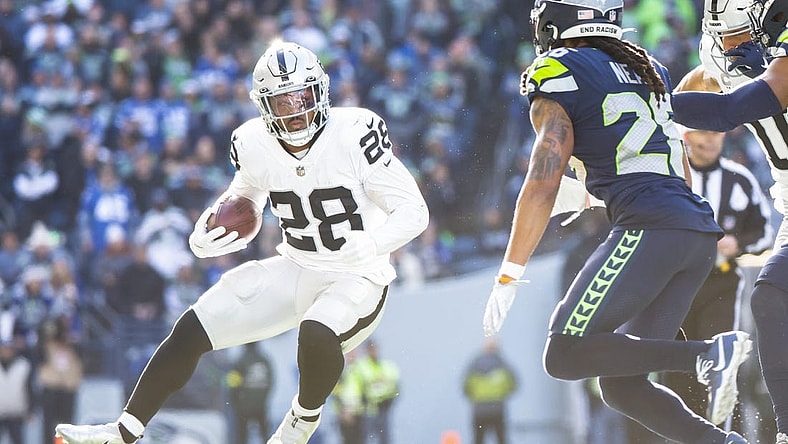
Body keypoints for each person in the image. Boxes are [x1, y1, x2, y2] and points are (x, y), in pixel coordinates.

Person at [55, 40, 429, 444]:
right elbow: (245, 200)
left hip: (358, 276)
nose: (297, 108)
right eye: (283, 101)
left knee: (316, 331)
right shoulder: (253, 143)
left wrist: (372, 244)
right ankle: (123, 431)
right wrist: (210, 232)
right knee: (193, 326)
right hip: (296, 264)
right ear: (264, 106)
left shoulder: (355, 132)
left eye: (302, 95)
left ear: (320, 90)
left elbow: (414, 211)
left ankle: (300, 423)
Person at [482, 1, 753, 443]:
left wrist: (510, 272)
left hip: (651, 227)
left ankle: (707, 354)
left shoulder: (557, 70)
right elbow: (674, 167)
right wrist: (598, 194)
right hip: (695, 231)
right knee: (621, 384)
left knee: (564, 353)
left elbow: (542, 179)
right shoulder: (648, 71)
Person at [671, 1, 788, 442]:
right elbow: (691, 107)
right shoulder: (720, 55)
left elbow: (723, 112)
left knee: (772, 295)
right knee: (771, 298)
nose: (728, 42)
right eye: (721, 31)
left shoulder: (777, 60)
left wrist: (646, 99)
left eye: (738, 30)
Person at [661, 125, 773, 429]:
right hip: (674, 286)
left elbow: (765, 232)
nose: (710, 139)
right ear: (686, 136)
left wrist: (738, 242)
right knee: (674, 371)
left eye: (716, 132)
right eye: (702, 132)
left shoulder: (739, 178)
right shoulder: (669, 177)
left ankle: (723, 435)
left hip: (720, 283)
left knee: (721, 367)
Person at [462, 338, 517, 444]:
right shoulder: (502, 365)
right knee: (501, 439)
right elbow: (513, 385)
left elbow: (465, 387)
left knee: (478, 440)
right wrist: (501, 394)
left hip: (479, 410)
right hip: (497, 409)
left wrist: (476, 397)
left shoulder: (474, 365)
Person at [226, 342, 274, 444]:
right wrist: (264, 398)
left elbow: (233, 383)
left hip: (244, 406)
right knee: (265, 434)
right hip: (261, 405)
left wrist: (234, 401)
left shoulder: (240, 360)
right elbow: (271, 381)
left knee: (241, 436)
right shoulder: (264, 359)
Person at [355, 340, 399, 444]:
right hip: (367, 411)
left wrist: (390, 401)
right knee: (365, 439)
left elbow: (395, 386)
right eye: (370, 349)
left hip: (383, 409)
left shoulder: (387, 366)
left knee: (385, 439)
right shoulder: (361, 367)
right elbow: (356, 388)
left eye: (374, 349)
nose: (373, 352)